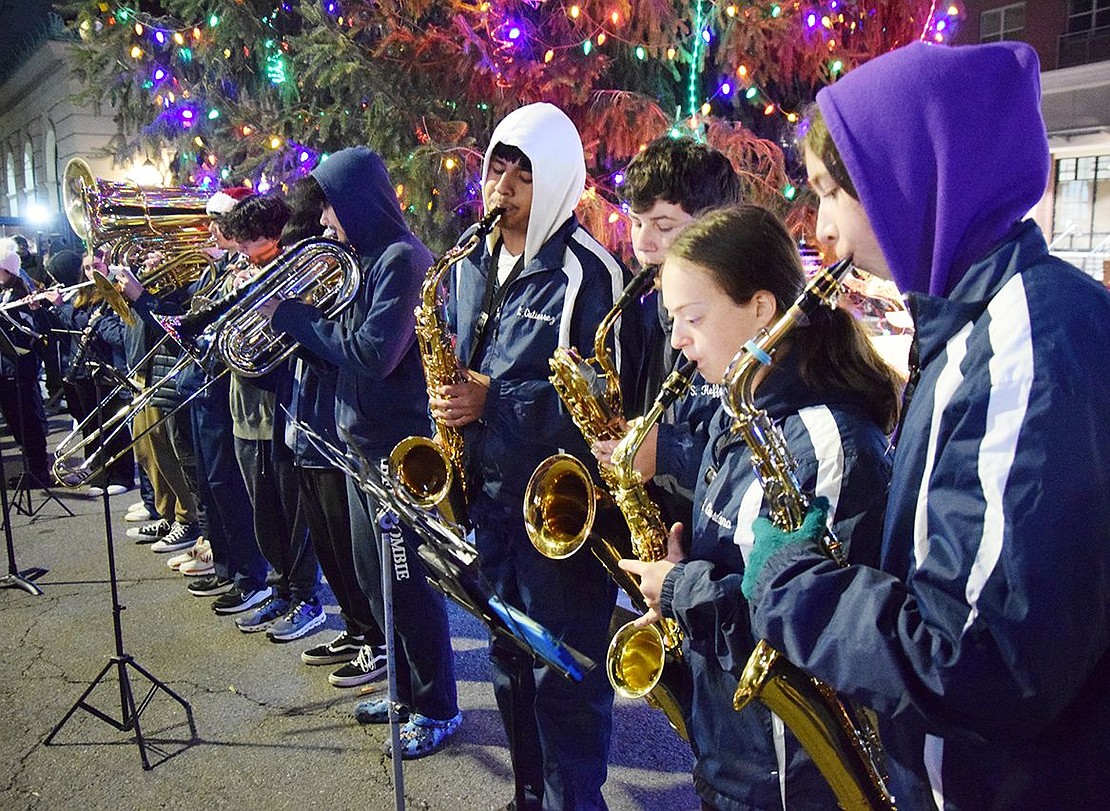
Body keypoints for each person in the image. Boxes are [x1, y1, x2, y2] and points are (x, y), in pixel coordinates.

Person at [741, 41, 1110, 808]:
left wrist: (794, 584)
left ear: (897, 182)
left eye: (826, 194)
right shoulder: (981, 325)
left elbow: (976, 658)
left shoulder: (1024, 343)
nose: (820, 231)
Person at [616, 205, 899, 810]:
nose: (678, 341)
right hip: (731, 746)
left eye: (692, 317)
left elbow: (812, 631)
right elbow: (747, 568)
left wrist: (681, 589)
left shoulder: (825, 444)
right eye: (672, 320)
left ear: (763, 310)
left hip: (787, 774)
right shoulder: (735, 408)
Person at [430, 102, 634, 809]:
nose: (504, 185)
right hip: (489, 502)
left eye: (524, 172)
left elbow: (608, 406)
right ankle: (527, 794)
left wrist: (498, 403)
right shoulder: (469, 262)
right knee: (509, 657)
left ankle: (572, 800)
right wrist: (453, 411)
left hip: (560, 517)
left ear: (556, 181)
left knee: (563, 673)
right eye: (497, 166)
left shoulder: (592, 272)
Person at [268, 146, 462, 758]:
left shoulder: (404, 261)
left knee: (407, 584)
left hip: (396, 449)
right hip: (358, 441)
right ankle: (405, 691)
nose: (324, 222)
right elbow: (346, 342)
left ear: (360, 202)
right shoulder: (361, 259)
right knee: (374, 579)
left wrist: (296, 320)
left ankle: (438, 708)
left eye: (332, 209)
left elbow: (375, 355)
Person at [218, 193, 325, 642]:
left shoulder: (290, 275)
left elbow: (294, 342)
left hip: (276, 411)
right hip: (243, 410)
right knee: (264, 512)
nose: (240, 245)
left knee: (290, 513)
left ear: (273, 234)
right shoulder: (241, 272)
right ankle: (280, 588)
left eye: (249, 236)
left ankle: (306, 597)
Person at [0, 237, 51, 489]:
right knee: (16, 421)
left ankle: (38, 470)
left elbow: (30, 332)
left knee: (27, 420)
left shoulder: (22, 291)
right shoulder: (5, 292)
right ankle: (30, 467)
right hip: (6, 367)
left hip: (20, 366)